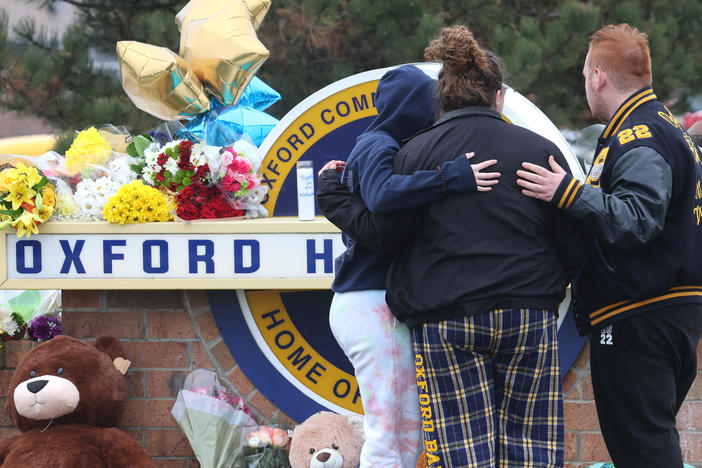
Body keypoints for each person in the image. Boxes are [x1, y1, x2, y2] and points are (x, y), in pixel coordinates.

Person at [351, 26, 583, 468]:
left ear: (443, 100)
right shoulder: (538, 148)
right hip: (527, 311)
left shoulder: (412, 155)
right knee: (533, 449)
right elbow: (572, 240)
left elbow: (389, 236)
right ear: (498, 96)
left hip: (444, 316)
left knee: (463, 454)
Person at [516, 23, 702, 467]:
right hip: (664, 314)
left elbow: (638, 219)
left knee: (643, 450)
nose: (585, 87)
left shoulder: (639, 135)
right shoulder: (666, 127)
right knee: (647, 442)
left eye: (584, 77)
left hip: (640, 317)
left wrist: (567, 192)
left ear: (598, 76)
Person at [315, 64, 500, 468]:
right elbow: (382, 197)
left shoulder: (384, 146)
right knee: (392, 437)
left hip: (373, 301)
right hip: (371, 301)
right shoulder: (378, 143)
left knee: (404, 434)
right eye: (431, 103)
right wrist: (451, 176)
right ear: (413, 106)